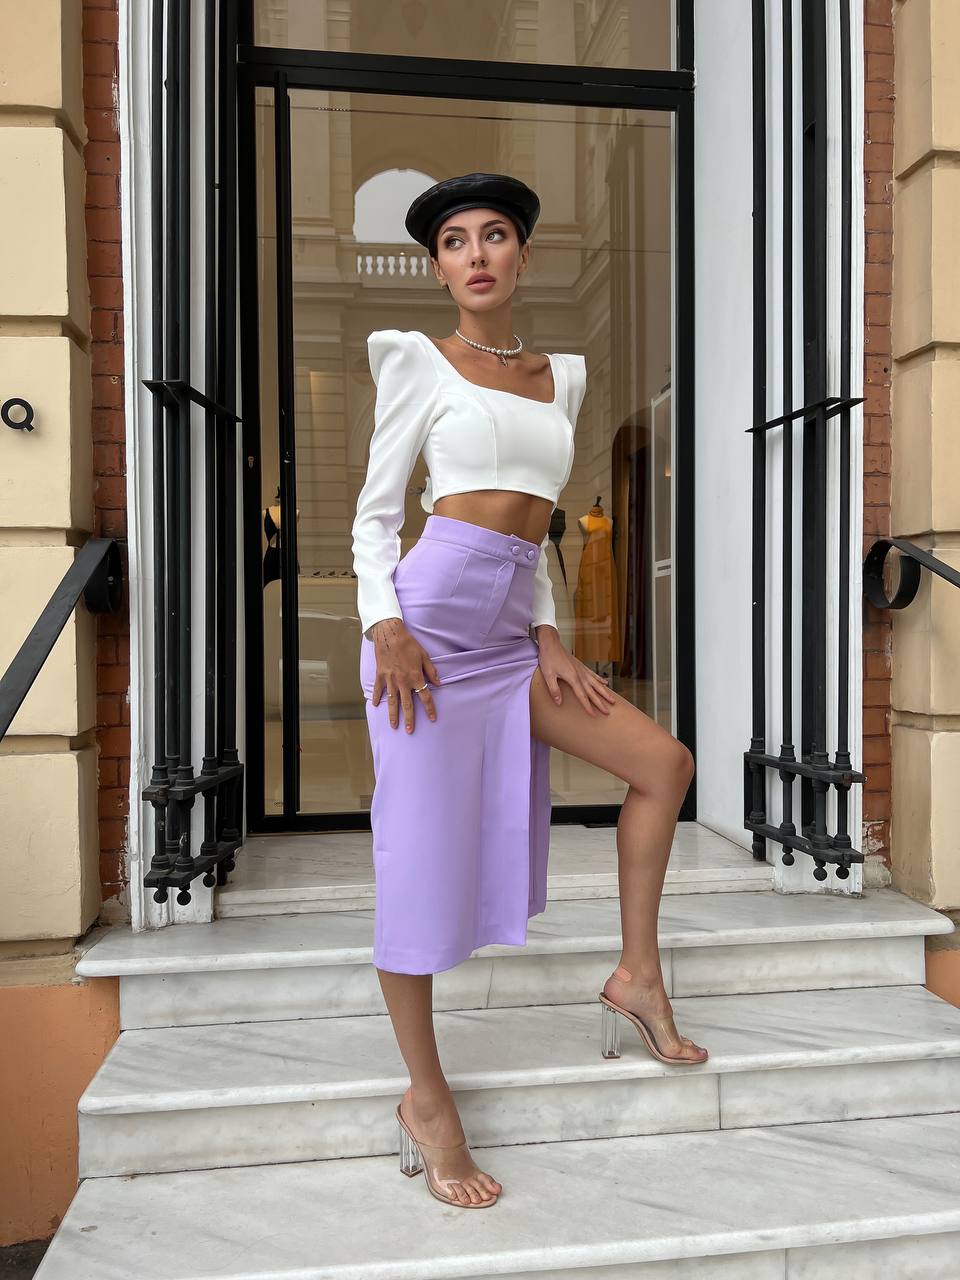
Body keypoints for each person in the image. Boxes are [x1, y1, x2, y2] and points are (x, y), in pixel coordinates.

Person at [351, 172, 706, 1210]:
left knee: (662, 763)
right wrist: (384, 625)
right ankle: (427, 1100)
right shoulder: (417, 362)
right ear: (438, 267)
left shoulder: (568, 377)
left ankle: (637, 976)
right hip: (425, 635)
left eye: (495, 235)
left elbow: (537, 523)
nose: (476, 254)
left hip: (512, 640)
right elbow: (376, 516)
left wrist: (549, 634)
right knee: (416, 871)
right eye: (455, 241)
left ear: (523, 255)